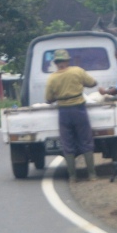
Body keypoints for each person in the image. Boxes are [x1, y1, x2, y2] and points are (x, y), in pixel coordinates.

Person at [45, 49, 98, 182]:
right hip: (79, 110)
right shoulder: (77, 71)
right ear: (67, 61)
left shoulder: (52, 78)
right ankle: (92, 175)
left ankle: (72, 176)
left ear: (56, 63)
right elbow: (92, 83)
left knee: (67, 143)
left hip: (63, 112)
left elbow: (48, 99)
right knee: (85, 140)